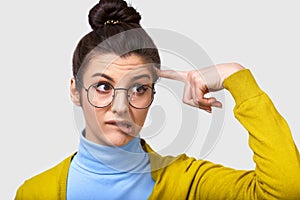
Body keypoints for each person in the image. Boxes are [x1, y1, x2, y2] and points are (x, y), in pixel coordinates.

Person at [15, 0, 300, 199]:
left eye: (138, 89)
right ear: (75, 91)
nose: (121, 107)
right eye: (103, 86)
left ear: (153, 95)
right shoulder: (35, 192)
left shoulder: (187, 181)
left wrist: (234, 75)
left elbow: (287, 190)